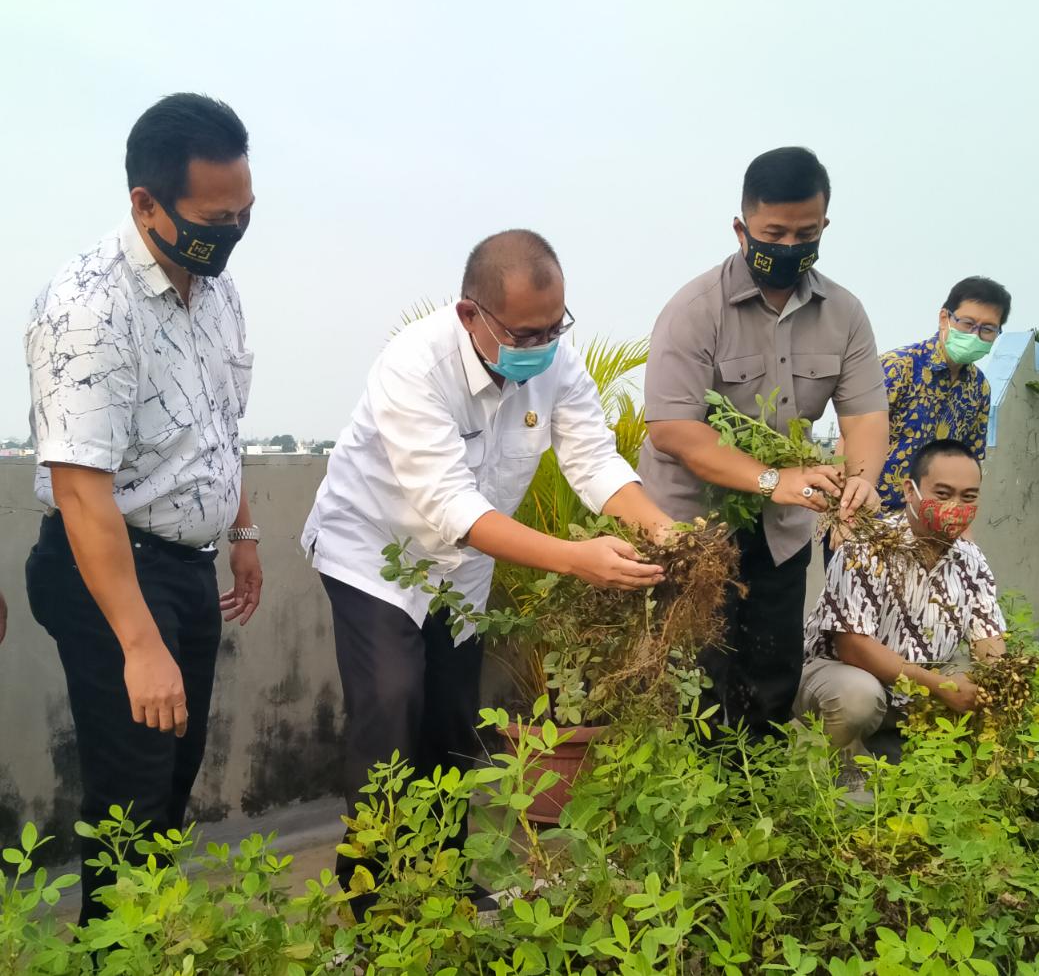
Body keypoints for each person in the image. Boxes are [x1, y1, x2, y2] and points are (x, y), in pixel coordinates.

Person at [302, 229, 672, 906]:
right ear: (470, 313)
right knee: (391, 705)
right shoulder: (415, 365)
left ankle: (445, 884)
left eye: (555, 328)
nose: (544, 346)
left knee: (451, 721)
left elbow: (592, 458)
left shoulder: (556, 362)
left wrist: (659, 526)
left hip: (465, 567)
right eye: (526, 333)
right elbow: (451, 504)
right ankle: (373, 898)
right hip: (375, 553)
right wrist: (576, 559)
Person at [24, 94, 261, 924]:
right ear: (146, 203)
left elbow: (220, 426)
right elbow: (80, 489)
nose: (233, 232)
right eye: (215, 219)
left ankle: (148, 945)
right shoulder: (88, 306)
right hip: (109, 573)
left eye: (245, 213)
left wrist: (242, 530)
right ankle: (112, 951)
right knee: (129, 802)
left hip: (188, 569)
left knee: (169, 788)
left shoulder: (218, 292)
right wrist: (139, 643)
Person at [641, 146, 890, 739]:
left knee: (772, 678)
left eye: (805, 234)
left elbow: (864, 415)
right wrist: (772, 479)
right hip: (695, 527)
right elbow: (673, 429)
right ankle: (696, 793)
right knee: (695, 684)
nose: (788, 247)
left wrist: (861, 481)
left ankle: (762, 789)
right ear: (741, 228)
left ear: (824, 226)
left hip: (782, 530)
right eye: (773, 234)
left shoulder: (845, 314)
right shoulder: (694, 310)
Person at [795, 439, 1006, 780]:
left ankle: (925, 762)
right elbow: (853, 647)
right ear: (910, 491)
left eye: (968, 497)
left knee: (980, 684)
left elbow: (988, 638)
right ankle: (844, 767)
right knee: (857, 697)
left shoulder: (972, 559)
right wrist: (939, 685)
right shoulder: (866, 546)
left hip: (919, 687)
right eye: (943, 494)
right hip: (844, 675)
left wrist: (998, 679)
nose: (955, 506)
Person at [823, 276, 1010, 567]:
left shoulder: (979, 390)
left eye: (987, 329)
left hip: (927, 537)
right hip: (866, 523)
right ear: (945, 318)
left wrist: (964, 533)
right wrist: (843, 515)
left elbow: (968, 466)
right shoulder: (898, 368)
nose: (975, 335)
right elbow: (850, 438)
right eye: (967, 323)